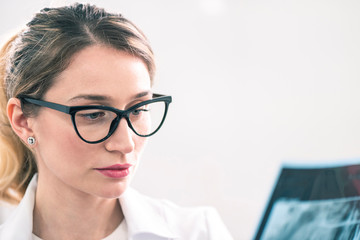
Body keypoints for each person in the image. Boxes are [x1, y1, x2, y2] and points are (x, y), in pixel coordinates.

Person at [0, 3, 233, 240]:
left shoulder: (199, 232)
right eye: (94, 114)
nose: (126, 144)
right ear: (23, 122)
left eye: (138, 109)